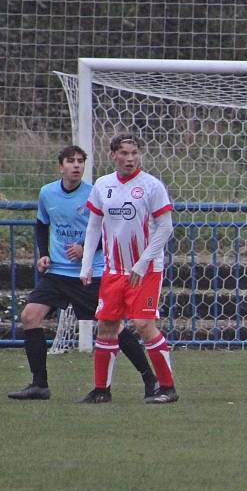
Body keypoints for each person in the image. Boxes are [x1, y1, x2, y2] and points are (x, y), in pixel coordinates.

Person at [7, 145, 157, 401]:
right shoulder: (48, 193)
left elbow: (109, 228)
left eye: (80, 161)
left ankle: (150, 378)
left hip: (89, 274)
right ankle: (39, 384)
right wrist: (43, 254)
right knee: (30, 316)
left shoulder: (95, 192)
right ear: (60, 166)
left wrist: (87, 248)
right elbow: (42, 225)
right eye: (71, 161)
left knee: (112, 327)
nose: (76, 166)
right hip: (56, 273)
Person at [78, 134, 178, 404]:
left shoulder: (151, 186)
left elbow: (166, 228)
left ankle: (167, 388)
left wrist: (143, 262)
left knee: (144, 324)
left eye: (134, 153)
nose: (130, 158)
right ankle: (102, 391)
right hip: (114, 270)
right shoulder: (102, 185)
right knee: (107, 325)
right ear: (113, 155)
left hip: (146, 270)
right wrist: (86, 265)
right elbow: (94, 226)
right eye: (124, 153)